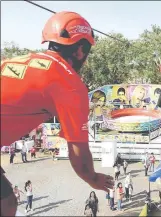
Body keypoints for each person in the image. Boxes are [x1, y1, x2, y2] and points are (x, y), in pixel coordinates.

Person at [1, 11, 114, 217]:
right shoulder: (69, 84)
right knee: (6, 205)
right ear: (80, 50)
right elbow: (78, 151)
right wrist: (92, 178)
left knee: (6, 202)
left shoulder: (16, 60)